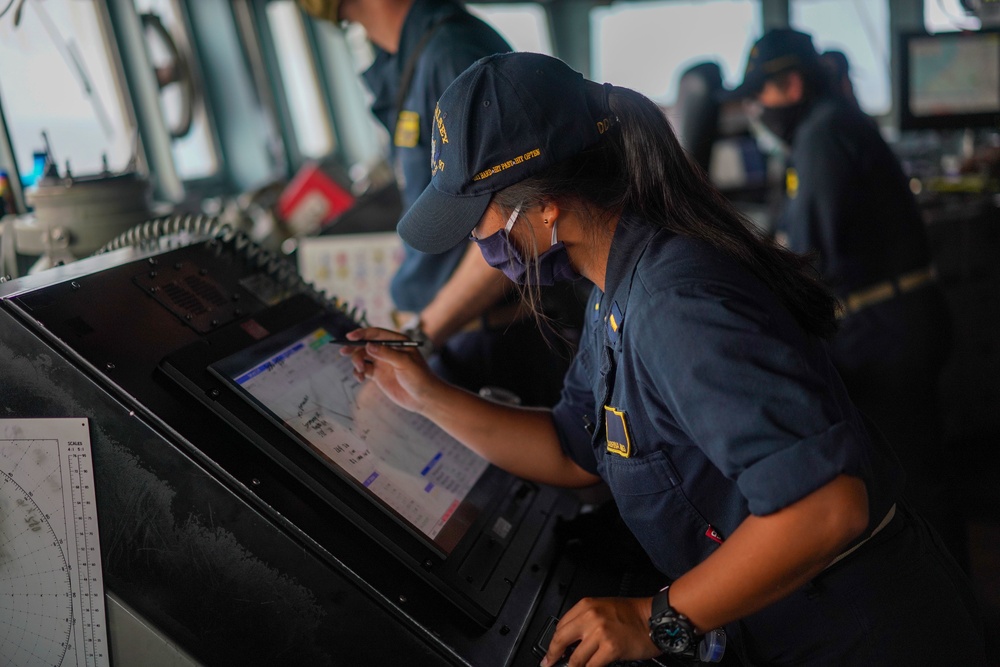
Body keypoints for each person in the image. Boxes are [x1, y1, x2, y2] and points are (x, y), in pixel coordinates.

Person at [341, 52, 986, 666]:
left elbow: (826, 506)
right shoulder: (613, 285)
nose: (476, 242)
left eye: (476, 219)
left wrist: (654, 619)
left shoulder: (675, 303)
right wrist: (421, 393)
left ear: (543, 207)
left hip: (859, 634)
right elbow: (573, 451)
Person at [725, 29, 964, 570]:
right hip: (900, 321)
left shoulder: (822, 136)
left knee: (917, 482)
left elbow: (811, 256)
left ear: (788, 85)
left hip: (885, 333)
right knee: (924, 470)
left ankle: (949, 616)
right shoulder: (834, 124)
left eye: (758, 94)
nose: (755, 108)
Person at [298, 0, 581, 407]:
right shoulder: (409, 59)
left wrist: (420, 337)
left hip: (491, 342)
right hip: (452, 333)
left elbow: (520, 220)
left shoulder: (452, 54)